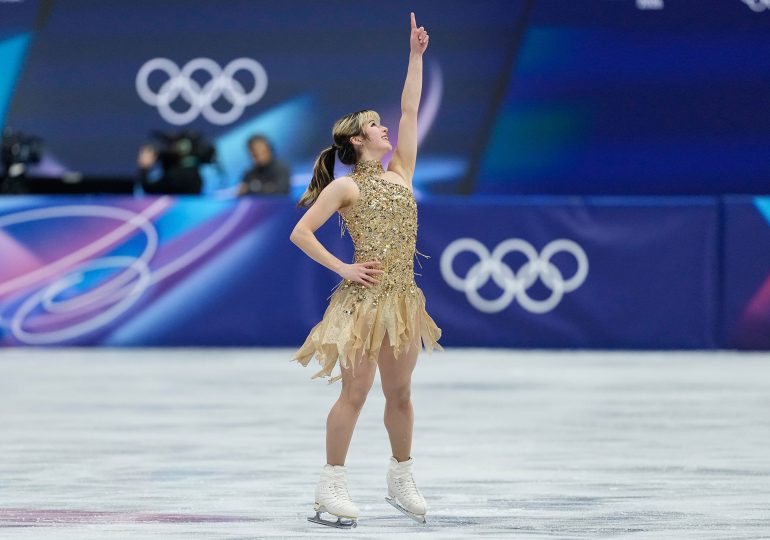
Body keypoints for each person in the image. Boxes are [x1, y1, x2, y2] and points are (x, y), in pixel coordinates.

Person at [289, 12, 441, 529]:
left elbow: (410, 106)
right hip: (362, 302)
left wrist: (415, 57)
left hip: (402, 301)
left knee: (401, 394)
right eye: (374, 125)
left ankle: (401, 477)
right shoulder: (345, 187)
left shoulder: (402, 172)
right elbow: (301, 232)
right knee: (354, 393)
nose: (385, 127)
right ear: (357, 141)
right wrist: (345, 268)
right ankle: (330, 485)